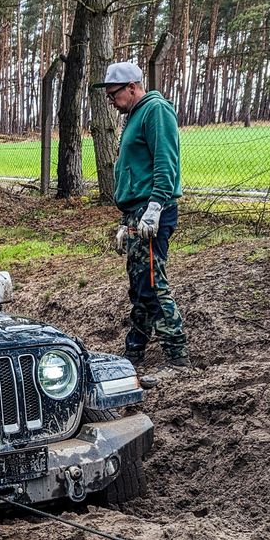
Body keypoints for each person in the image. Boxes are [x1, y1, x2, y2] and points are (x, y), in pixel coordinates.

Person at [95, 62, 190, 369]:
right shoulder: (134, 115)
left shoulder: (156, 111)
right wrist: (127, 220)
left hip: (153, 212)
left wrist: (154, 208)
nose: (111, 100)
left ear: (132, 87)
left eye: (114, 94)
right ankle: (133, 353)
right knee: (139, 285)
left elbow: (166, 163)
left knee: (152, 284)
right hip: (137, 212)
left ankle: (177, 359)